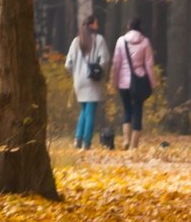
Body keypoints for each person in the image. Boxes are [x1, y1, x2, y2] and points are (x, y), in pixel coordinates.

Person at [111, 16, 157, 150]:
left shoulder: (121, 41)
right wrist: (153, 83)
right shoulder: (145, 42)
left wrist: (114, 82)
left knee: (127, 110)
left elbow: (116, 64)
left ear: (128, 27)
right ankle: (133, 145)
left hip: (123, 82)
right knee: (138, 110)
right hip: (139, 81)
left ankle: (126, 139)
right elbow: (149, 65)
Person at [65, 15, 110, 150]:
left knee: (84, 110)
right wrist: (101, 72)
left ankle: (78, 138)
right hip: (93, 80)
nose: (98, 26)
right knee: (90, 111)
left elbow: (68, 64)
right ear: (91, 25)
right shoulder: (99, 40)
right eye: (96, 23)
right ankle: (86, 142)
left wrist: (75, 75)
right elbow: (105, 60)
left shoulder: (75, 41)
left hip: (78, 81)